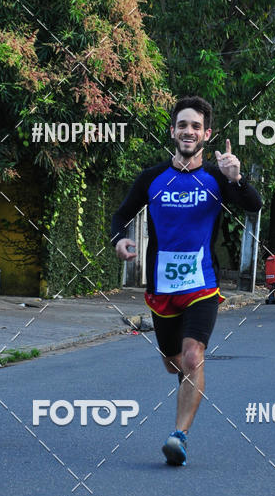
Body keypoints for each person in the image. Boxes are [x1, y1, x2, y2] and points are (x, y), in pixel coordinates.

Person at [111, 96, 262, 466]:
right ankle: (189, 381)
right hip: (161, 289)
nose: (188, 131)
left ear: (206, 134)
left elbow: (254, 205)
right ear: (173, 131)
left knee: (193, 356)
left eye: (196, 126)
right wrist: (119, 241)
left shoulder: (216, 177)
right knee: (173, 361)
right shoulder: (152, 178)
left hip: (201, 285)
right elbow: (120, 215)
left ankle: (179, 436)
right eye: (183, 125)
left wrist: (237, 178)